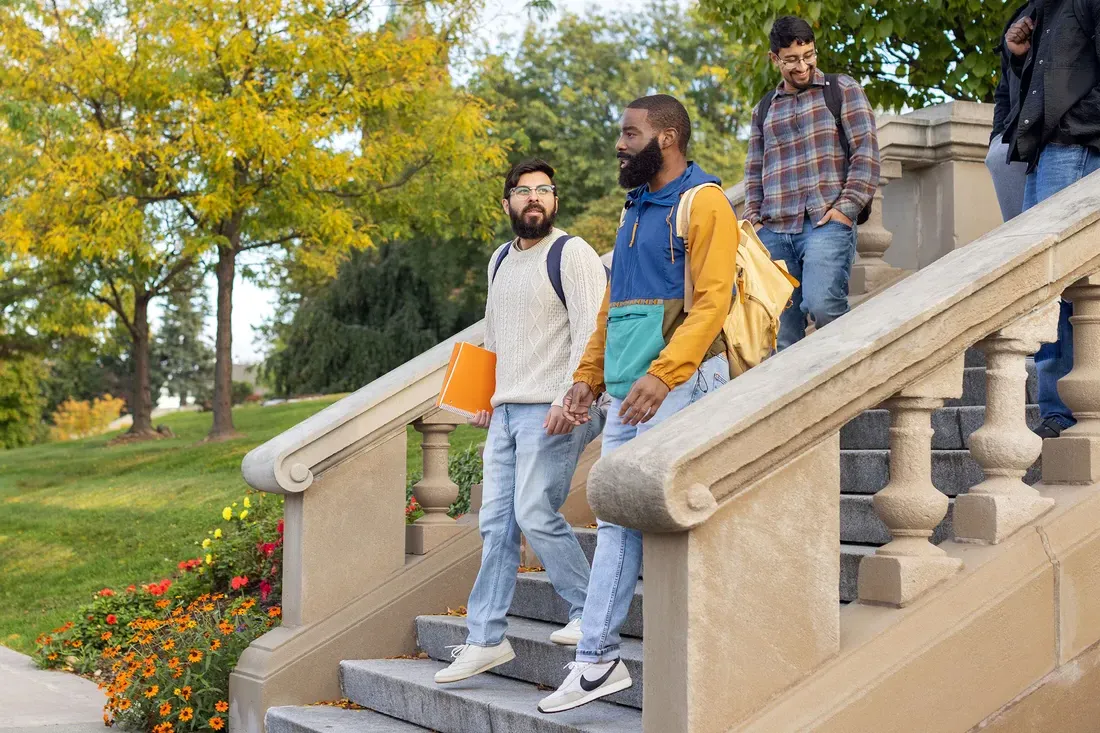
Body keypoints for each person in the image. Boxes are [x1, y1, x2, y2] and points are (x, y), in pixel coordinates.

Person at [537, 95, 736, 713]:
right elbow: (610, 308)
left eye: (630, 133)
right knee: (616, 516)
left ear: (668, 137)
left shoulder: (704, 202)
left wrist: (665, 372)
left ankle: (597, 658)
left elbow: (712, 302)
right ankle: (598, 658)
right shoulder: (633, 212)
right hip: (631, 392)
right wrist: (587, 380)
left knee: (635, 518)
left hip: (680, 385)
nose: (620, 144)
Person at [434, 159, 608, 684]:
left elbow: (590, 330)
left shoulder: (571, 253)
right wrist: (486, 392)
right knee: (495, 525)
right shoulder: (498, 261)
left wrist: (570, 398)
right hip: (508, 410)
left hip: (556, 408)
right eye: (523, 191)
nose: (534, 198)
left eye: (543, 190)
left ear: (554, 200)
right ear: (507, 202)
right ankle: (485, 637)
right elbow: (497, 333)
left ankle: (590, 612)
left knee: (533, 511)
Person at [743, 15, 880, 350]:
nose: (802, 66)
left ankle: (847, 391)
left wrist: (846, 209)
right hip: (774, 230)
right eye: (791, 60)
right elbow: (754, 169)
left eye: (809, 56)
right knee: (780, 333)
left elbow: (866, 154)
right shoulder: (764, 109)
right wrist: (755, 219)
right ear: (774, 58)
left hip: (826, 221)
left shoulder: (842, 90)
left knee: (824, 306)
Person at [1001, 0, 1100, 439]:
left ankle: (1061, 409)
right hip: (1042, 152)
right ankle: (1055, 407)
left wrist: (1075, 121)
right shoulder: (1036, 10)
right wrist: (1017, 57)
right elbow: (1027, 92)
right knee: (1041, 286)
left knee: (1059, 283)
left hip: (1074, 147)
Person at [985, 3, 1031, 222]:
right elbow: (1003, 93)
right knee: (1021, 241)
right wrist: (997, 139)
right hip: (1013, 142)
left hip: (1050, 139)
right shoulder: (1018, 19)